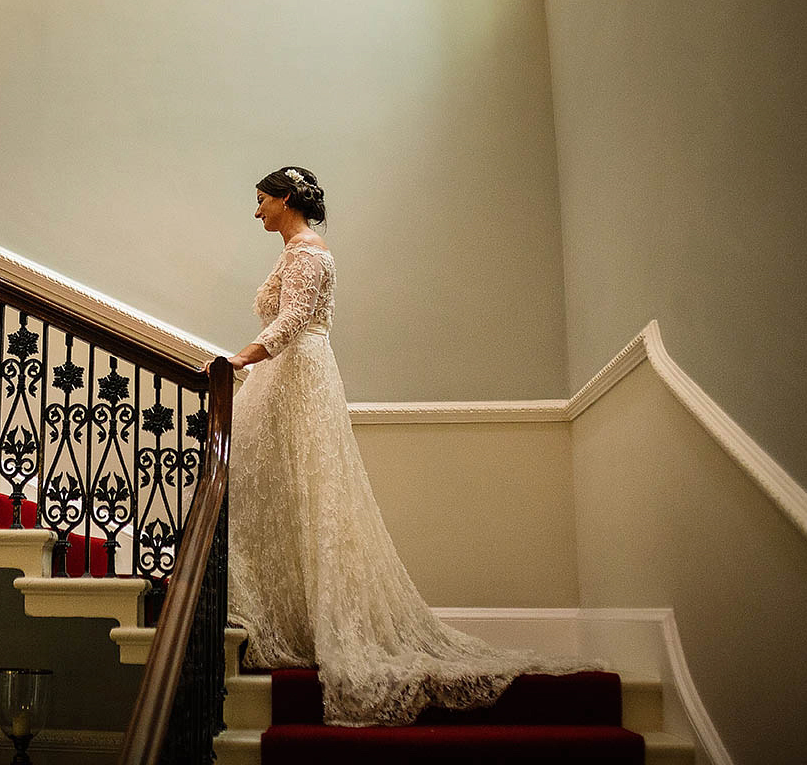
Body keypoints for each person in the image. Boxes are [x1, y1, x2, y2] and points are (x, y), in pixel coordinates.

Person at [218, 166, 594, 727]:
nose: (256, 212)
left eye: (261, 201)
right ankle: (286, 617)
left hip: (297, 374)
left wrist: (243, 356)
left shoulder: (308, 252)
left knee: (307, 496)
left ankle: (315, 625)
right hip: (289, 377)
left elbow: (296, 318)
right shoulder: (295, 249)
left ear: (286, 199)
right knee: (271, 494)